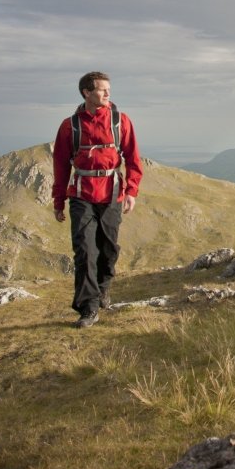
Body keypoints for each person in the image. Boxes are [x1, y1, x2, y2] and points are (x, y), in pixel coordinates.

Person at [51, 71, 143, 328]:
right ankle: (88, 308)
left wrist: (132, 192)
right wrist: (59, 202)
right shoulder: (70, 126)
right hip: (81, 195)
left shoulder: (120, 121)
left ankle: (103, 287)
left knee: (108, 248)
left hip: (112, 193)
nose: (107, 94)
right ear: (86, 93)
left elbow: (133, 159)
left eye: (108, 90)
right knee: (84, 250)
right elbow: (60, 166)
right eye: (102, 90)